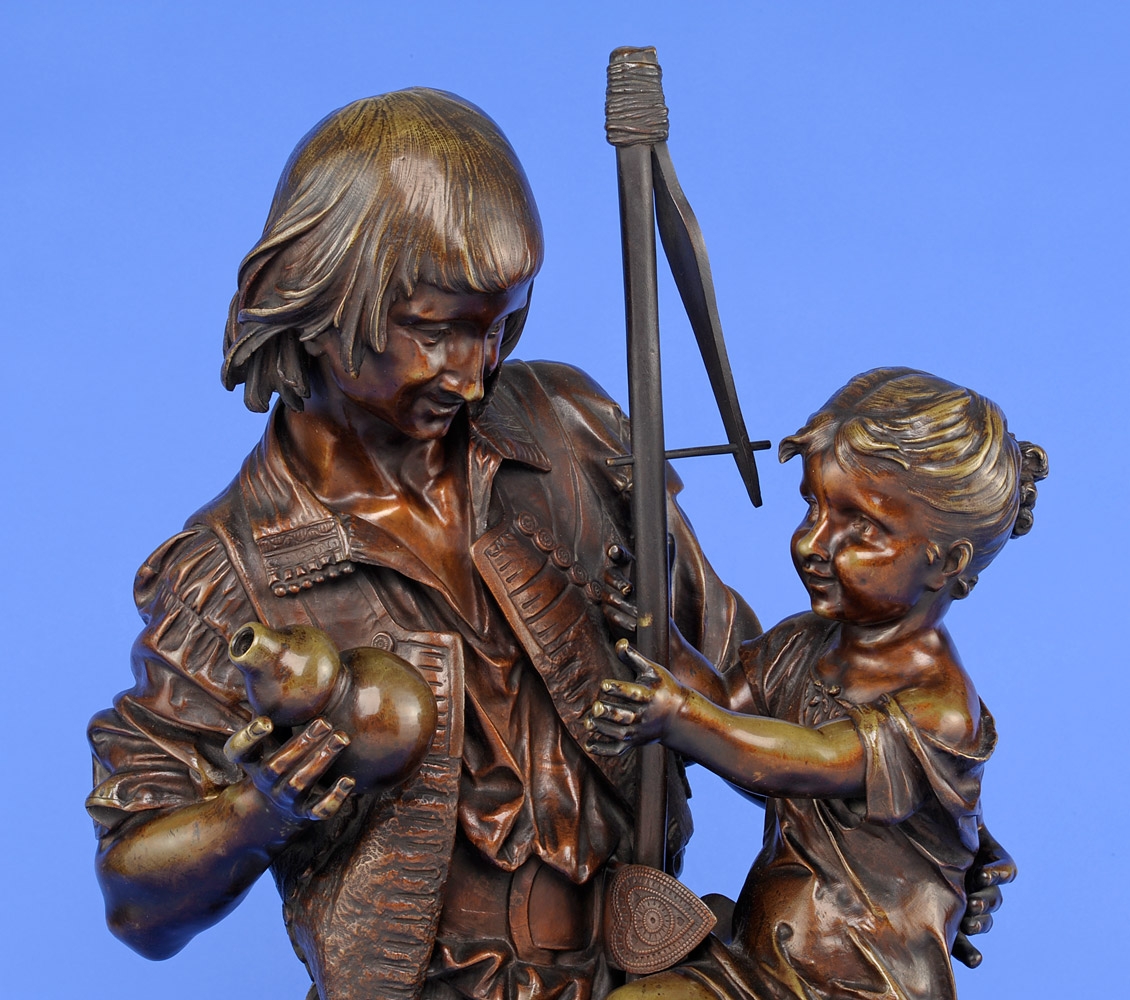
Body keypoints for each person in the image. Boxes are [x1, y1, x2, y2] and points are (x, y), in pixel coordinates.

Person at [87, 93, 1008, 1000]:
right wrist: (259, 812)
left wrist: (921, 831)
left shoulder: (570, 435)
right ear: (324, 300)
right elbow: (137, 906)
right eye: (436, 331)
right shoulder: (228, 573)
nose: (474, 374)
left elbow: (755, 688)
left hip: (634, 971)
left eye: (498, 327)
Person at [586, 368, 1046, 1000]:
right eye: (813, 506)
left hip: (859, 984)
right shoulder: (802, 643)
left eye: (862, 526)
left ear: (946, 560)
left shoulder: (940, 711)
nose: (813, 542)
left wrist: (679, 717)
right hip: (765, 960)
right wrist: (657, 621)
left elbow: (804, 760)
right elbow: (725, 708)